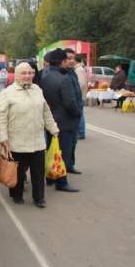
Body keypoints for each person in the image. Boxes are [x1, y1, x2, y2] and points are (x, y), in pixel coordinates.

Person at [0, 62, 59, 206]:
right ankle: (17, 195)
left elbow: (46, 111)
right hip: (16, 139)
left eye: (30, 73)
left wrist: (53, 128)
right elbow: (1, 117)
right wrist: (3, 137)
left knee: (38, 171)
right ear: (16, 75)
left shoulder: (37, 89)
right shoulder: (7, 92)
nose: (27, 76)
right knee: (17, 170)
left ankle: (39, 198)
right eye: (24, 73)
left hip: (37, 139)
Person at [39, 49, 81, 192]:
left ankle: (50, 177)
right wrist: (77, 113)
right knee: (63, 152)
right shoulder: (65, 79)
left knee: (52, 148)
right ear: (62, 62)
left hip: (51, 120)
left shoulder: (45, 78)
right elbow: (70, 102)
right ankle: (61, 182)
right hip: (65, 122)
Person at [65, 48, 83, 171]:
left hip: (76, 111)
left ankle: (70, 164)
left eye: (73, 58)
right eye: (69, 58)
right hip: (67, 114)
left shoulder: (73, 72)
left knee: (73, 141)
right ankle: (63, 167)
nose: (72, 61)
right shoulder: (63, 74)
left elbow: (77, 92)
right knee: (66, 143)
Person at [74, 55, 88, 139]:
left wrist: (76, 92)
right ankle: (80, 132)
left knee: (80, 114)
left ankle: (81, 132)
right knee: (80, 113)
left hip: (79, 95)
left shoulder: (78, 70)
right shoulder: (79, 69)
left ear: (76, 61)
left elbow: (81, 83)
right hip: (81, 95)